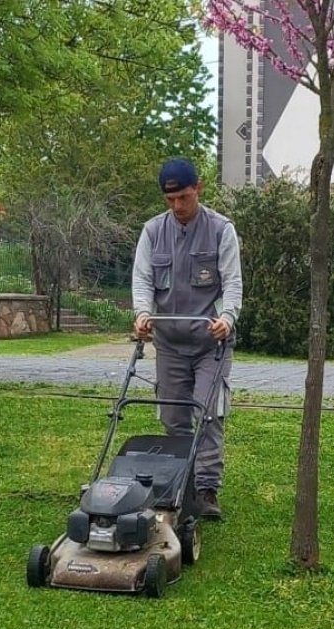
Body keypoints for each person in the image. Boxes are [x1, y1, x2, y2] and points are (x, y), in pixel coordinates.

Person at [130, 157, 243, 521]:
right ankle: (181, 482)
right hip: (170, 344)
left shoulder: (221, 230)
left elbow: (232, 282)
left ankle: (207, 489)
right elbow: (143, 280)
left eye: (184, 197)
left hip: (211, 343)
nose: (178, 206)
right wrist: (142, 314)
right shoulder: (152, 232)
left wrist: (227, 318)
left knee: (208, 413)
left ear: (199, 188)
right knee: (175, 418)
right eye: (170, 200)